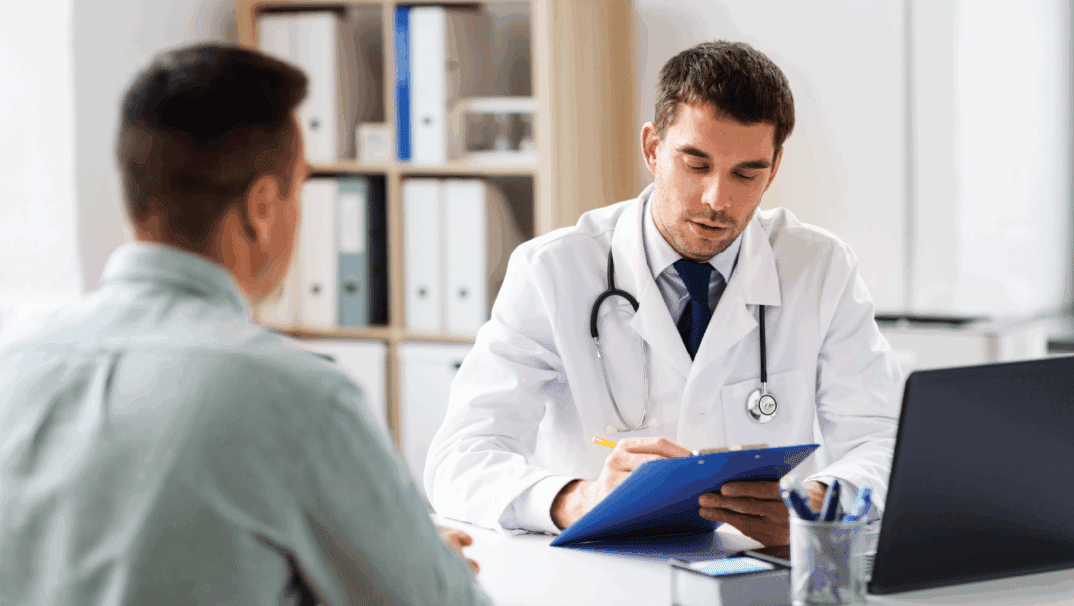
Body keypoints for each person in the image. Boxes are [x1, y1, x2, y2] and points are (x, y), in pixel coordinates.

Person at [0, 44, 490, 605]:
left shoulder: (13, 359)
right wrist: (426, 563)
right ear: (262, 208)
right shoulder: (295, 395)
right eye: (299, 188)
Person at [425, 40, 903, 546]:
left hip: (754, 571)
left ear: (774, 168)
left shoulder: (818, 268)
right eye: (696, 164)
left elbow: (885, 442)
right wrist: (578, 498)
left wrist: (822, 503)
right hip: (601, 567)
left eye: (747, 173)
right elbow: (459, 458)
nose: (718, 199)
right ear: (652, 148)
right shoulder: (553, 271)